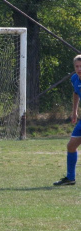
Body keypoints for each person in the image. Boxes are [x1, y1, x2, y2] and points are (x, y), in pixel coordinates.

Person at [53, 54, 81, 186]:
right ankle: (70, 178)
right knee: (71, 146)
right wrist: (74, 111)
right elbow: (76, 93)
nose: (79, 68)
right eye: (77, 66)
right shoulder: (75, 78)